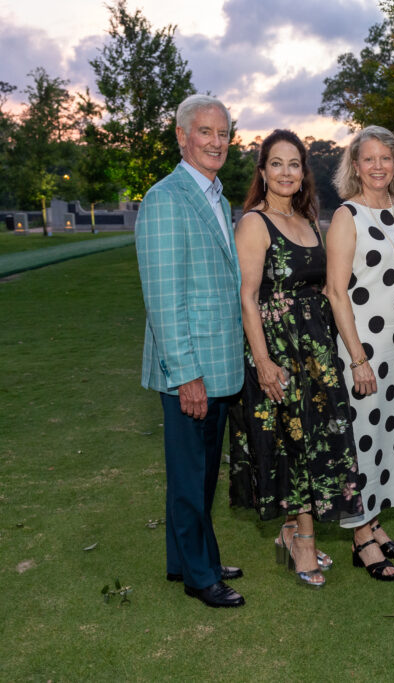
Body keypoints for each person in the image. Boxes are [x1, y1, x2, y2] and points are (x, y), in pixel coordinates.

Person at [228, 129, 363, 589]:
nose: (287, 173)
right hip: (279, 352)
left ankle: (291, 530)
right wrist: (263, 362)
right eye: (277, 164)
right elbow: (248, 298)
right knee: (295, 444)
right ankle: (303, 539)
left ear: (303, 173)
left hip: (316, 351)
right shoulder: (253, 223)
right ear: (263, 172)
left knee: (313, 442)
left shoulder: (310, 221)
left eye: (294, 164)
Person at [135, 94, 245, 608]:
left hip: (219, 364)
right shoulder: (166, 198)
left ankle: (185, 559)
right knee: (188, 475)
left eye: (223, 133)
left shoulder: (217, 198)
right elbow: (163, 297)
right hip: (191, 369)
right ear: (181, 136)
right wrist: (186, 375)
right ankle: (201, 577)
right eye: (205, 132)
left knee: (200, 474)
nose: (216, 142)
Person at [325, 126, 394, 582]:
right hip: (361, 352)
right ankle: (360, 536)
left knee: (385, 435)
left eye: (387, 158)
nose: (379, 166)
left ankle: (375, 521)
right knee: (361, 440)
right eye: (369, 159)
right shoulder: (347, 216)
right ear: (355, 166)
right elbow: (335, 291)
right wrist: (358, 357)